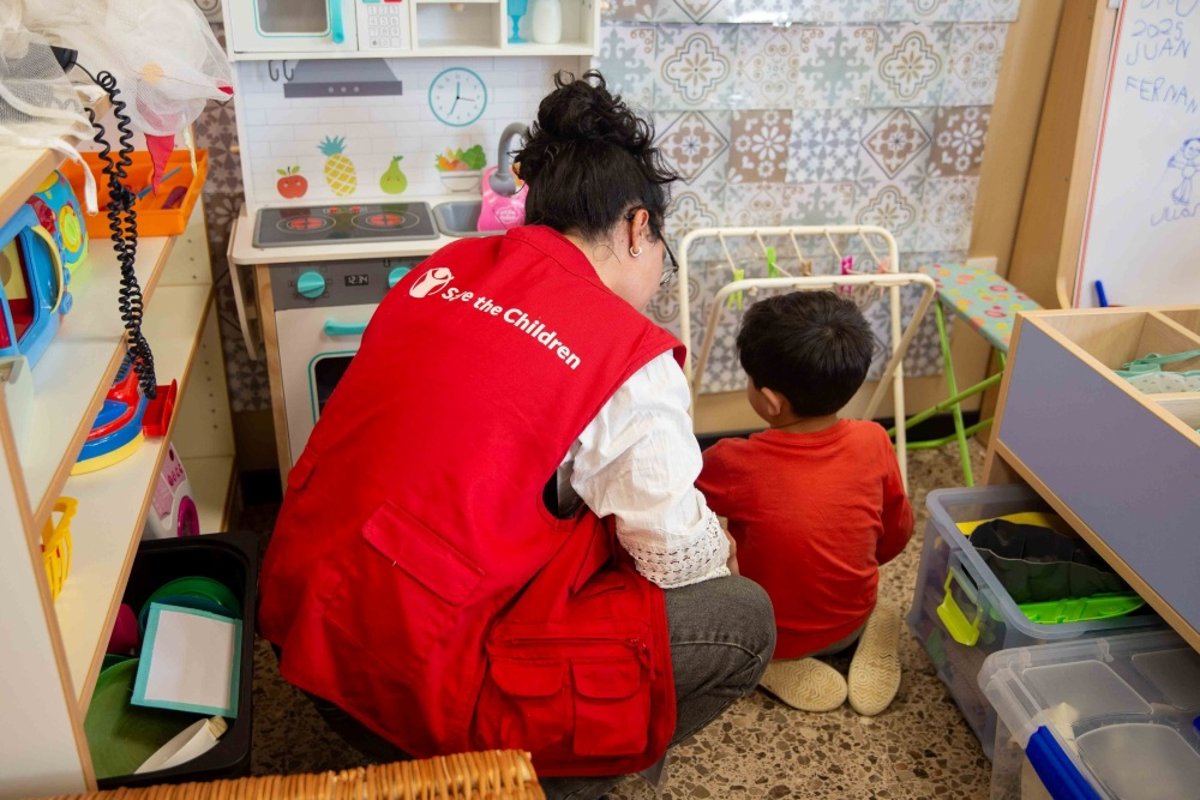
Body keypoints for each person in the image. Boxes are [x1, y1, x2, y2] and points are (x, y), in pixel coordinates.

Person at [257, 70, 774, 800]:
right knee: (742, 616)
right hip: (415, 687)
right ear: (637, 228)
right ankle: (529, 783)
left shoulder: (445, 266)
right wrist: (720, 543)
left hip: (307, 633)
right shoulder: (626, 355)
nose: (660, 271)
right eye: (664, 248)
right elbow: (677, 561)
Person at [696, 291, 913, 716]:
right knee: (858, 599)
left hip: (774, 633)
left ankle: (768, 661)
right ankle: (866, 628)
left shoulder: (733, 462)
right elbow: (897, 535)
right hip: (851, 613)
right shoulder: (874, 440)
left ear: (771, 401)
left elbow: (674, 504)